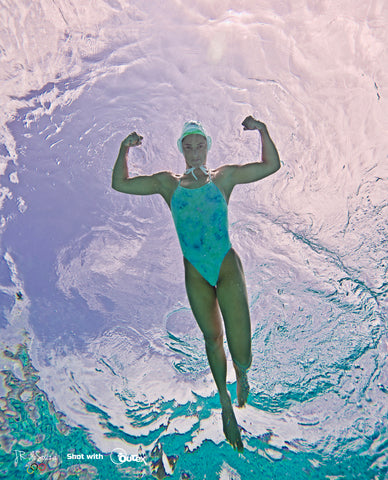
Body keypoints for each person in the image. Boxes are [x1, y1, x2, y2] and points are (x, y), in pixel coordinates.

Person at [112, 116, 280, 451]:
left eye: (199, 144)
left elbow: (271, 165)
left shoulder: (225, 176)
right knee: (211, 338)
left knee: (241, 349)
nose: (194, 150)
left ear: (207, 146)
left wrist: (262, 130)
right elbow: (121, 183)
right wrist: (123, 149)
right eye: (188, 146)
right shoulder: (166, 183)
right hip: (194, 271)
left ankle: (242, 373)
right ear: (181, 150)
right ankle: (225, 404)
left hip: (225, 264)